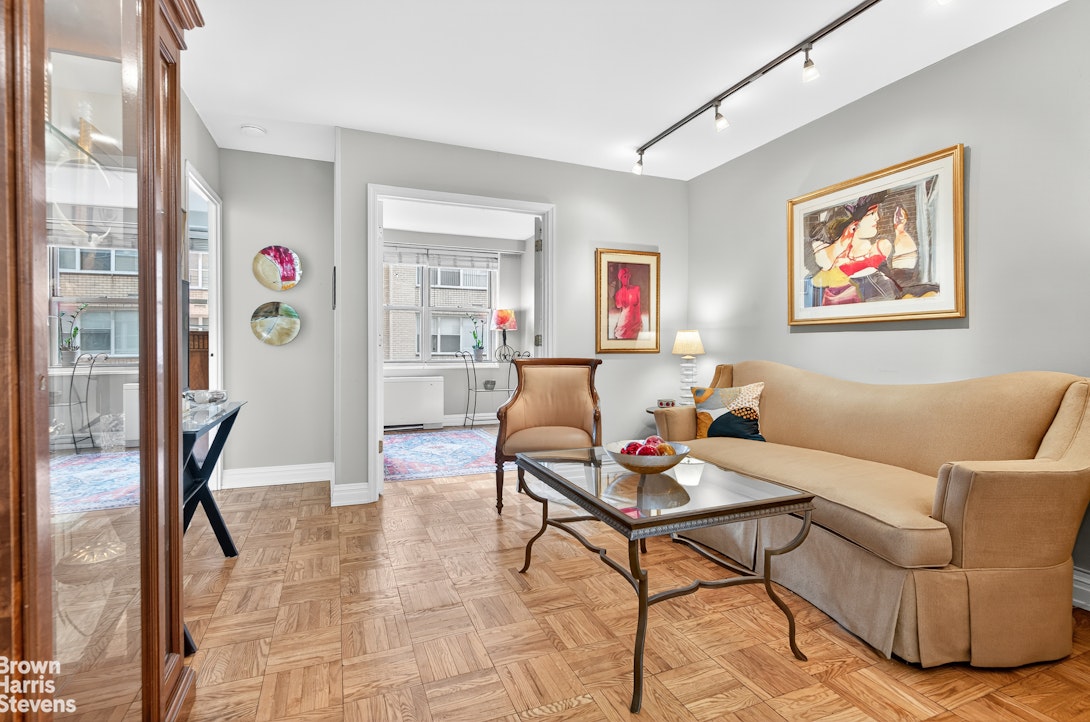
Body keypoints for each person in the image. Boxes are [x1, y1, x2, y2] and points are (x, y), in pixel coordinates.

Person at [612, 265, 642, 339]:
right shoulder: (619, 293)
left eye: (627, 276)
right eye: (624, 277)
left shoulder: (636, 289)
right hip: (625, 321)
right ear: (621, 279)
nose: (626, 278)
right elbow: (618, 305)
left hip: (635, 322)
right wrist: (622, 295)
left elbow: (636, 302)